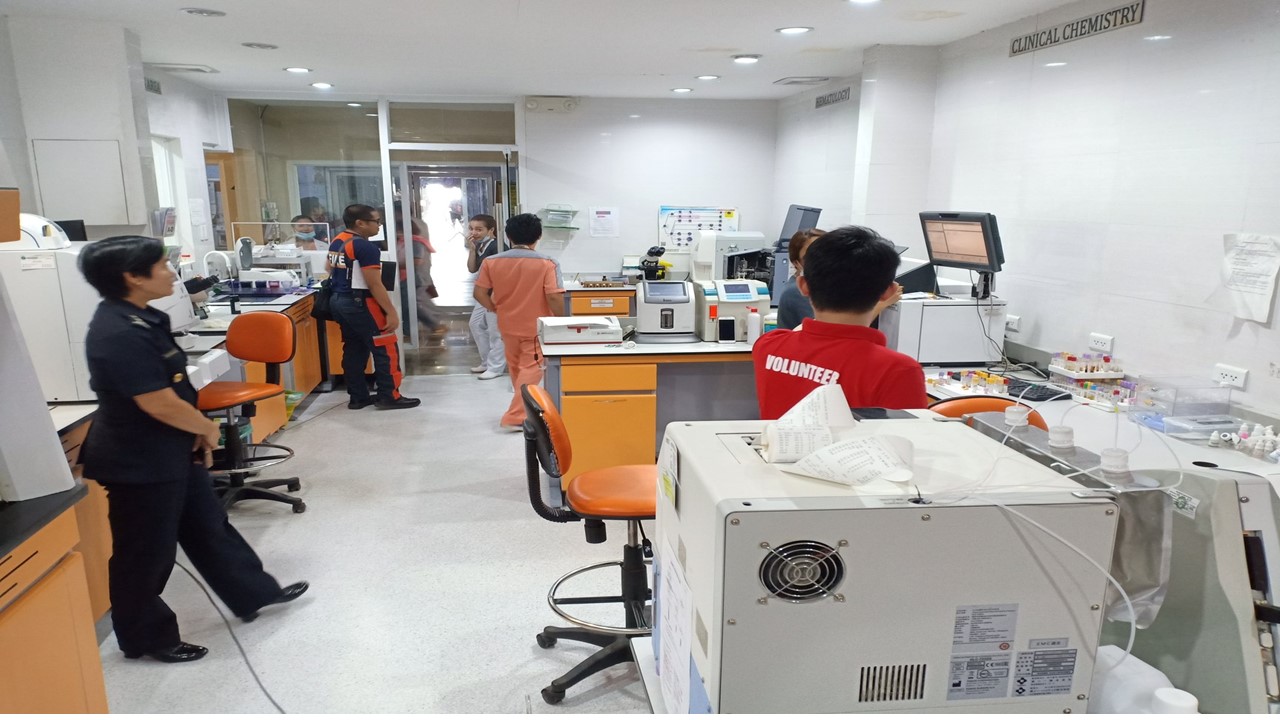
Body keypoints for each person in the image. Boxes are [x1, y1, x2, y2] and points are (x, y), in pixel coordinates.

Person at [76, 236, 308, 664]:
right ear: (133, 276)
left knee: (209, 526)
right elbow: (156, 401)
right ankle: (146, 638)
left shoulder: (145, 317)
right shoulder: (117, 332)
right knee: (145, 554)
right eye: (162, 266)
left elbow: (173, 390)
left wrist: (196, 432)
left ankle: (254, 592)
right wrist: (204, 427)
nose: (171, 273)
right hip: (138, 459)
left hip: (172, 444)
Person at [752, 225, 927, 420]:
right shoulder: (899, 371)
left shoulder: (767, 346)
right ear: (889, 292)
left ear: (803, 286)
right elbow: (915, 437)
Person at [473, 213, 564, 431]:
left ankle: (525, 408)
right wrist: (565, 320)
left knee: (517, 369)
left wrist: (495, 308)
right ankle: (515, 416)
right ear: (538, 236)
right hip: (536, 327)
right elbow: (553, 297)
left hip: (506, 324)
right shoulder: (547, 263)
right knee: (531, 370)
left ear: (509, 236)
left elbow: (479, 293)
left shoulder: (491, 262)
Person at [327, 204, 420, 410]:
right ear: (360, 223)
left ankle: (358, 397)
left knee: (354, 348)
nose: (379, 226)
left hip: (339, 301)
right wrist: (391, 312)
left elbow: (329, 268)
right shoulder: (365, 247)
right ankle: (390, 396)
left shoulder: (338, 240)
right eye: (376, 221)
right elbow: (374, 284)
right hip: (361, 302)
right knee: (385, 347)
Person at [466, 214, 506, 379]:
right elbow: (472, 268)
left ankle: (495, 367)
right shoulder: (481, 246)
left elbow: (502, 274)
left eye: (479, 229)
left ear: (491, 230)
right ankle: (487, 362)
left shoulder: (498, 247)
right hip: (484, 295)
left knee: (496, 332)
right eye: (471, 229)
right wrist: (472, 250)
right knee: (475, 324)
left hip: (494, 295)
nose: (474, 232)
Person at [775, 228, 826, 329]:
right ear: (796, 263)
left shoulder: (826, 285)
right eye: (811, 257)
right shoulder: (796, 291)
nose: (822, 260)